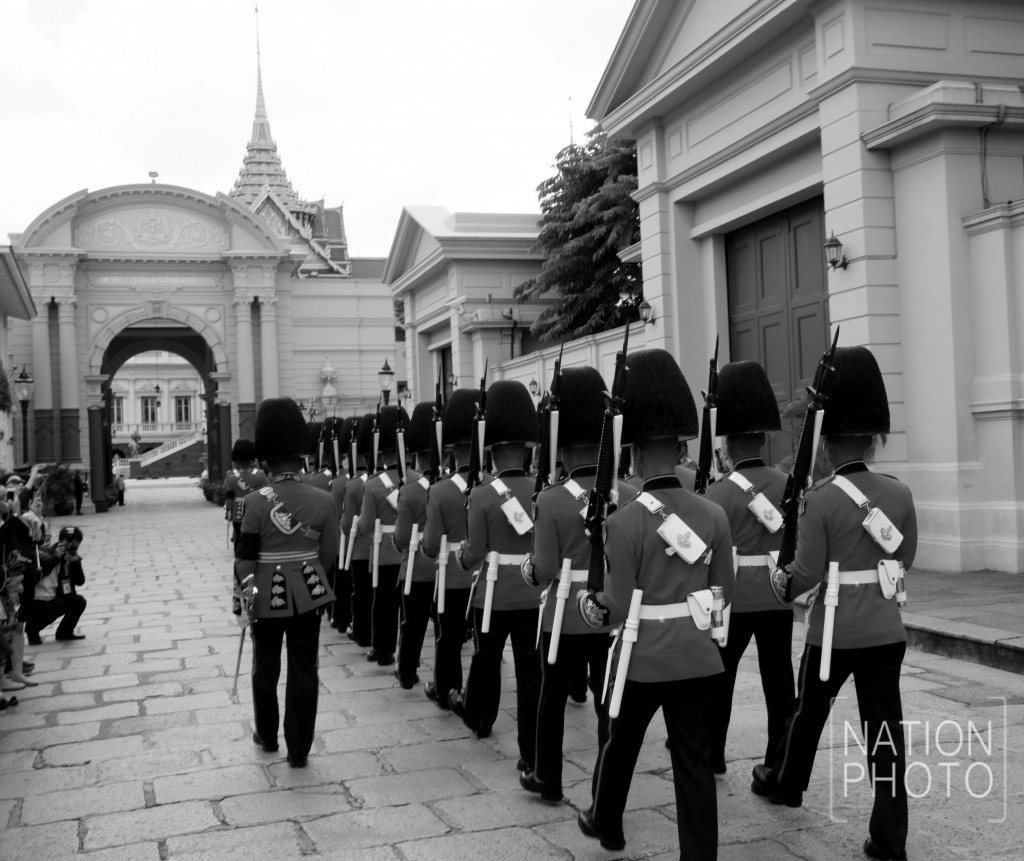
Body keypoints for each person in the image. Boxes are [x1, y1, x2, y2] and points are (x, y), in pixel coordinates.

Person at [752, 346, 917, 861]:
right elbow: (904, 555)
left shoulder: (820, 498)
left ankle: (788, 782)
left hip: (833, 634)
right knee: (885, 737)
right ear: (872, 437)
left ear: (827, 439)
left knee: (807, 713)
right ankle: (890, 836)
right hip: (886, 632)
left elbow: (805, 576)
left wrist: (783, 583)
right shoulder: (898, 493)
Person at [577, 349, 734, 859]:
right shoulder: (712, 515)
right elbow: (721, 592)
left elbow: (616, 605)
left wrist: (588, 602)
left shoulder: (622, 523)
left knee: (620, 745)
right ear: (680, 447)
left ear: (637, 453)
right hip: (696, 656)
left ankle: (608, 824)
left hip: (642, 660)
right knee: (693, 764)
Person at [520, 366, 638, 804]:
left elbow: (545, 568)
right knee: (608, 703)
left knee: (552, 698)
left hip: (565, 616)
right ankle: (605, 789)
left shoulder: (551, 499)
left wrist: (527, 571)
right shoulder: (626, 492)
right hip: (613, 612)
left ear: (564, 450)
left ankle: (547, 776)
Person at [234, 397, 339, 768]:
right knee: (304, 669)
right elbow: (328, 554)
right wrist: (312, 576)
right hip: (309, 591)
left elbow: (245, 557)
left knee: (265, 667)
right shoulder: (323, 500)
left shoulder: (255, 501)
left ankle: (267, 733)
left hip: (265, 594)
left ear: (267, 456)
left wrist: (246, 594)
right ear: (300, 453)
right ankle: (299, 747)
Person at [704, 361, 794, 776]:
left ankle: (712, 753)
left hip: (734, 597)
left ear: (730, 444)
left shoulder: (718, 493)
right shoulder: (787, 485)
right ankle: (779, 759)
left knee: (719, 678)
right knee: (779, 683)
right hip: (777, 595)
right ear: (761, 438)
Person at [450, 380, 542, 772]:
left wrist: (458, 559)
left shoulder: (484, 495)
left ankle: (480, 719)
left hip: (492, 595)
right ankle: (530, 752)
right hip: (532, 592)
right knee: (529, 674)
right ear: (525, 447)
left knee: (486, 661)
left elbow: (473, 554)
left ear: (491, 450)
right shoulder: (543, 489)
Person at [419, 388, 478, 709]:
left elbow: (430, 546)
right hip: (485, 578)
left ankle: (446, 690)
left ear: (452, 450)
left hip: (453, 577)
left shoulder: (440, 491)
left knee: (449, 639)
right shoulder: (492, 485)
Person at [355, 404, 410, 667]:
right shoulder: (417, 480)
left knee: (382, 602)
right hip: (409, 552)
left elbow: (365, 527)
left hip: (383, 553)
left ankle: (383, 649)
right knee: (404, 605)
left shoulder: (373, 484)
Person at [392, 402, 437, 688]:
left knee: (413, 625)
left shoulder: (409, 492)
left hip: (417, 570)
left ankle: (407, 672)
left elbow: (399, 540)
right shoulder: (456, 487)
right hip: (453, 572)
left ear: (418, 458)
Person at [341, 414, 375, 648]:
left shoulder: (353, 484)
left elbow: (346, 524)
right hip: (385, 550)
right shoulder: (389, 480)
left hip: (361, 549)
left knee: (361, 594)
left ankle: (362, 632)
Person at [26, 525, 87, 645]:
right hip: (40, 600)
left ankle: (65, 632)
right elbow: (40, 573)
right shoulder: (43, 553)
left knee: (79, 602)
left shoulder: (71, 556)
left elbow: (80, 582)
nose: (71, 545)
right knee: (46, 611)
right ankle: (32, 630)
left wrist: (75, 562)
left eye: (75, 542)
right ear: (60, 540)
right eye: (68, 541)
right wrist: (56, 557)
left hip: (59, 597)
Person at [328, 417, 355, 634]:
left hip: (343, 538)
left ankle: (341, 617)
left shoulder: (338, 482)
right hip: (363, 541)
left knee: (343, 583)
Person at [223, 439, 269, 544]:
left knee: (239, 537)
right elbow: (268, 492)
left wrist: (227, 514)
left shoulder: (232, 477)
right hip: (256, 510)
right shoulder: (260, 474)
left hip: (238, 513)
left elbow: (229, 499)